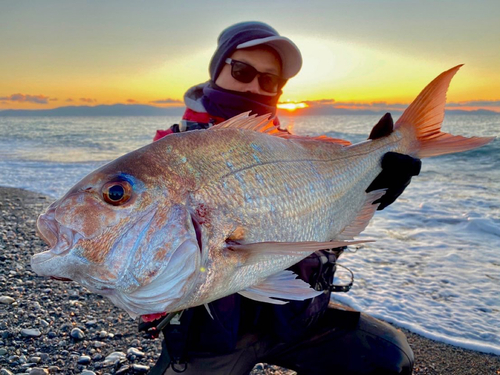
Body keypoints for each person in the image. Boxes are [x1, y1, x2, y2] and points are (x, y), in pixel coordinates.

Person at [142, 21, 420, 375]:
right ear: (217, 69)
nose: (254, 85)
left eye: (269, 79)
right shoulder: (167, 153)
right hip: (212, 341)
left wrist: (368, 193)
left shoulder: (294, 153)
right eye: (241, 70)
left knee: (388, 357)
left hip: (294, 323)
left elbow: (323, 240)